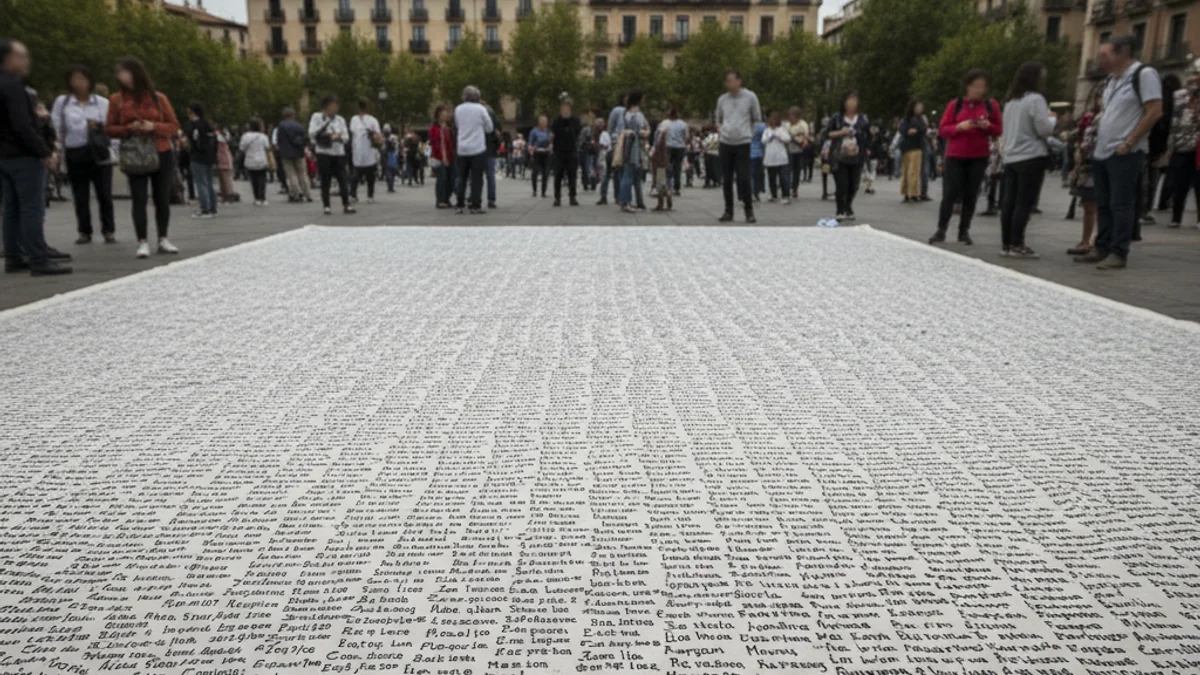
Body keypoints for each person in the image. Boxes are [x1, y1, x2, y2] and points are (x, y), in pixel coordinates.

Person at [1076, 35, 1163, 270]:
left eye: (1105, 55)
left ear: (1122, 53)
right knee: (1102, 202)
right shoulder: (1110, 81)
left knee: (1121, 204)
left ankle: (1118, 251)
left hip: (1125, 151)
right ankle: (1101, 247)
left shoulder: (1143, 75)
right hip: (1103, 150)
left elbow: (1154, 111)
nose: (1100, 60)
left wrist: (1130, 141)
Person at [0, 39, 71, 276]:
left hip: (4, 157)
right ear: (9, 58)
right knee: (32, 208)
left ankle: (13, 256)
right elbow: (22, 125)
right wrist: (44, 152)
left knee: (11, 208)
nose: (26, 61)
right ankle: (39, 258)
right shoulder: (13, 86)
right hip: (23, 156)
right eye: (22, 56)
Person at [106, 56, 179, 259]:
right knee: (138, 198)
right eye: (118, 73)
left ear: (136, 73)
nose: (121, 77)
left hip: (160, 150)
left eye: (124, 72)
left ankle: (163, 238)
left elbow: (173, 126)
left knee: (162, 198)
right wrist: (128, 129)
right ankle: (142, 241)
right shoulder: (116, 99)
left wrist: (153, 126)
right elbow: (109, 128)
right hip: (134, 153)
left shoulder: (158, 98)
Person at [931, 70, 1003, 246]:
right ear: (967, 87)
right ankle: (941, 229)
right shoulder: (955, 105)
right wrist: (958, 127)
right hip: (956, 155)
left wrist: (987, 126)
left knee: (971, 195)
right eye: (975, 86)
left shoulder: (990, 105)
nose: (979, 90)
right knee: (950, 193)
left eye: (982, 87)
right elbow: (943, 129)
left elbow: (998, 129)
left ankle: (964, 231)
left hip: (978, 155)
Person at [997, 61, 1057, 259]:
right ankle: (1017, 243)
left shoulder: (1011, 102)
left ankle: (1006, 243)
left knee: (1009, 201)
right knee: (1024, 202)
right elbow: (1044, 129)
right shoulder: (1036, 99)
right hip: (1031, 155)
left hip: (1012, 156)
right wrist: (1052, 119)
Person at [51, 65, 115, 244]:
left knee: (104, 194)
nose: (78, 83)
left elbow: (109, 129)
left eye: (82, 79)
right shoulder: (63, 102)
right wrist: (56, 150)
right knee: (80, 194)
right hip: (75, 151)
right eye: (74, 79)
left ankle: (108, 229)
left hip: (99, 151)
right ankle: (84, 231)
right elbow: (57, 128)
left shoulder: (102, 103)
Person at [715, 70, 762, 223]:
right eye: (726, 81)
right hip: (726, 142)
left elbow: (756, 118)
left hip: (743, 142)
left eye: (731, 80)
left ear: (739, 81)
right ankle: (728, 210)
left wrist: (750, 134)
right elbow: (718, 119)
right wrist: (720, 129)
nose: (729, 84)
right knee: (726, 179)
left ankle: (749, 210)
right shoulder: (722, 99)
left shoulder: (750, 97)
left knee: (744, 177)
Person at [1068, 89, 1103, 256]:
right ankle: (1085, 240)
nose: (1100, 101)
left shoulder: (1110, 117)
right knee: (1088, 204)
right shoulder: (1090, 117)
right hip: (1087, 165)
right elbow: (1082, 137)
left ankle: (1097, 240)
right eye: (1099, 97)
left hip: (1101, 163)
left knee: (1100, 205)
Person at [826, 91, 870, 221]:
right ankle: (840, 209)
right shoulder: (837, 118)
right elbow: (827, 134)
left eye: (854, 101)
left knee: (854, 184)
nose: (851, 104)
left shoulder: (863, 118)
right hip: (839, 155)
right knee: (842, 184)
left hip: (857, 156)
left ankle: (848, 206)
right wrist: (841, 132)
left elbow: (868, 136)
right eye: (849, 101)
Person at [308, 94, 354, 215]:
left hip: (338, 152)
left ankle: (346, 204)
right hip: (323, 152)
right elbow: (312, 133)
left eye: (336, 106)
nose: (335, 109)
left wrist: (337, 137)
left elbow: (346, 137)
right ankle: (326, 206)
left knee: (342, 179)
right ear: (325, 106)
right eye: (332, 106)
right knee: (325, 179)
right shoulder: (317, 117)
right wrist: (327, 133)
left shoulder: (340, 119)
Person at [454, 85, 493, 214]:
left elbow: (458, 125)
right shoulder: (481, 109)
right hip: (477, 148)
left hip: (462, 148)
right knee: (477, 178)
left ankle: (460, 204)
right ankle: (475, 205)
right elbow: (489, 128)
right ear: (477, 97)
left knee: (462, 177)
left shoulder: (458, 109)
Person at [1165, 84, 1198, 229]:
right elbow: (1173, 130)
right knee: (1179, 186)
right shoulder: (1180, 111)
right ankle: (1176, 218)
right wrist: (1170, 149)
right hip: (1181, 152)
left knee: (1199, 187)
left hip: (1197, 154)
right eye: (1195, 100)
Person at [617, 89, 649, 213]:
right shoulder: (636, 115)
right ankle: (625, 202)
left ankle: (629, 201)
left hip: (629, 144)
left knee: (630, 173)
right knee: (628, 174)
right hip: (633, 144)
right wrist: (643, 132)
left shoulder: (627, 113)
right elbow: (643, 128)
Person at [183, 102, 217, 218]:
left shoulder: (192, 124)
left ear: (192, 112)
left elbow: (190, 140)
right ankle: (213, 208)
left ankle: (205, 209)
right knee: (208, 182)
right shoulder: (208, 123)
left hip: (197, 156)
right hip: (209, 156)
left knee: (200, 182)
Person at [550, 96, 582, 207]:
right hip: (559, 151)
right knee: (558, 175)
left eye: (568, 107)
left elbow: (577, 133)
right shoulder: (556, 120)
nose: (565, 110)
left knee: (572, 175)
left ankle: (572, 196)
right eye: (564, 107)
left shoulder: (575, 120)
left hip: (571, 150)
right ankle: (557, 198)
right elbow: (553, 132)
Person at [348, 98, 381, 204]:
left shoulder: (354, 120)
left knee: (355, 176)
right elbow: (377, 135)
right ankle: (370, 196)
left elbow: (352, 132)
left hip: (358, 151)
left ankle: (353, 195)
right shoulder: (373, 120)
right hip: (370, 151)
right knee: (370, 177)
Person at [276, 107, 311, 203]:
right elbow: (305, 139)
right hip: (299, 152)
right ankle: (307, 193)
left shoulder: (281, 126)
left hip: (286, 153)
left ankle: (296, 193)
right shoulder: (299, 126)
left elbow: (279, 140)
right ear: (293, 115)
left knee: (291, 174)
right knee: (303, 173)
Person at [598, 92, 626, 205]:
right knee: (617, 172)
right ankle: (617, 196)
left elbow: (610, 126)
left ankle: (605, 195)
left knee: (611, 171)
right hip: (619, 143)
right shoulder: (620, 110)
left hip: (616, 142)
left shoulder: (618, 111)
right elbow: (610, 127)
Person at [898, 100, 926, 203]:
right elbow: (903, 130)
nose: (920, 109)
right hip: (909, 146)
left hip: (915, 146)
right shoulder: (908, 119)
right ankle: (909, 193)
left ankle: (911, 192)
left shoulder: (920, 119)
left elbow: (922, 129)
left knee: (913, 170)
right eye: (918, 107)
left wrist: (915, 130)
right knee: (908, 170)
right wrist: (912, 131)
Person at [239, 119, 271, 206]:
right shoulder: (263, 136)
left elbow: (242, 148)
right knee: (262, 179)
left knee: (253, 180)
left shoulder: (245, 136)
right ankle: (263, 198)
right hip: (262, 159)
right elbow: (267, 147)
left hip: (250, 160)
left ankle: (256, 198)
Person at [761, 112, 791, 204]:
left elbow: (787, 139)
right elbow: (763, 140)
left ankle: (785, 195)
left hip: (781, 157)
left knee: (783, 177)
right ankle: (773, 194)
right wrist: (770, 137)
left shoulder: (782, 129)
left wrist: (778, 137)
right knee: (771, 177)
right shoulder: (767, 130)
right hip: (770, 157)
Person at [429, 105, 455, 208]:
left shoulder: (448, 128)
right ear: (438, 116)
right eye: (442, 115)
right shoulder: (434, 128)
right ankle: (440, 200)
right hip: (439, 157)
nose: (445, 116)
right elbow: (433, 142)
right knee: (442, 179)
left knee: (450, 179)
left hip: (449, 157)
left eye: (446, 114)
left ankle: (447, 199)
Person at [660, 108, 687, 195]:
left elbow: (661, 135)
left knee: (667, 165)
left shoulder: (665, 123)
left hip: (668, 146)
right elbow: (686, 136)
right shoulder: (683, 124)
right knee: (677, 167)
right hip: (680, 147)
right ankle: (677, 187)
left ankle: (668, 185)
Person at [785, 107, 809, 199]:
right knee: (787, 170)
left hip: (799, 150)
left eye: (791, 115)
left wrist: (796, 137)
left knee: (797, 171)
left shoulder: (803, 124)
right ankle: (787, 188)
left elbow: (805, 135)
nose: (790, 117)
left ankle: (795, 189)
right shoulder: (787, 125)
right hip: (788, 150)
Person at [650, 120, 672, 212]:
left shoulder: (661, 135)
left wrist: (653, 155)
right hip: (662, 161)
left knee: (660, 183)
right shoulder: (663, 135)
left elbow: (658, 148)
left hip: (660, 162)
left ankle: (661, 203)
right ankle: (667, 197)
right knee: (661, 182)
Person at [528, 115, 551, 198]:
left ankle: (543, 191)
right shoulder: (534, 131)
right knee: (534, 172)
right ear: (539, 122)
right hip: (537, 153)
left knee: (545, 173)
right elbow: (530, 143)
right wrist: (532, 148)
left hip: (546, 154)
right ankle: (534, 190)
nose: (544, 123)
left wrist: (550, 147)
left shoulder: (548, 131)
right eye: (542, 121)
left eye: (545, 122)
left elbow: (552, 143)